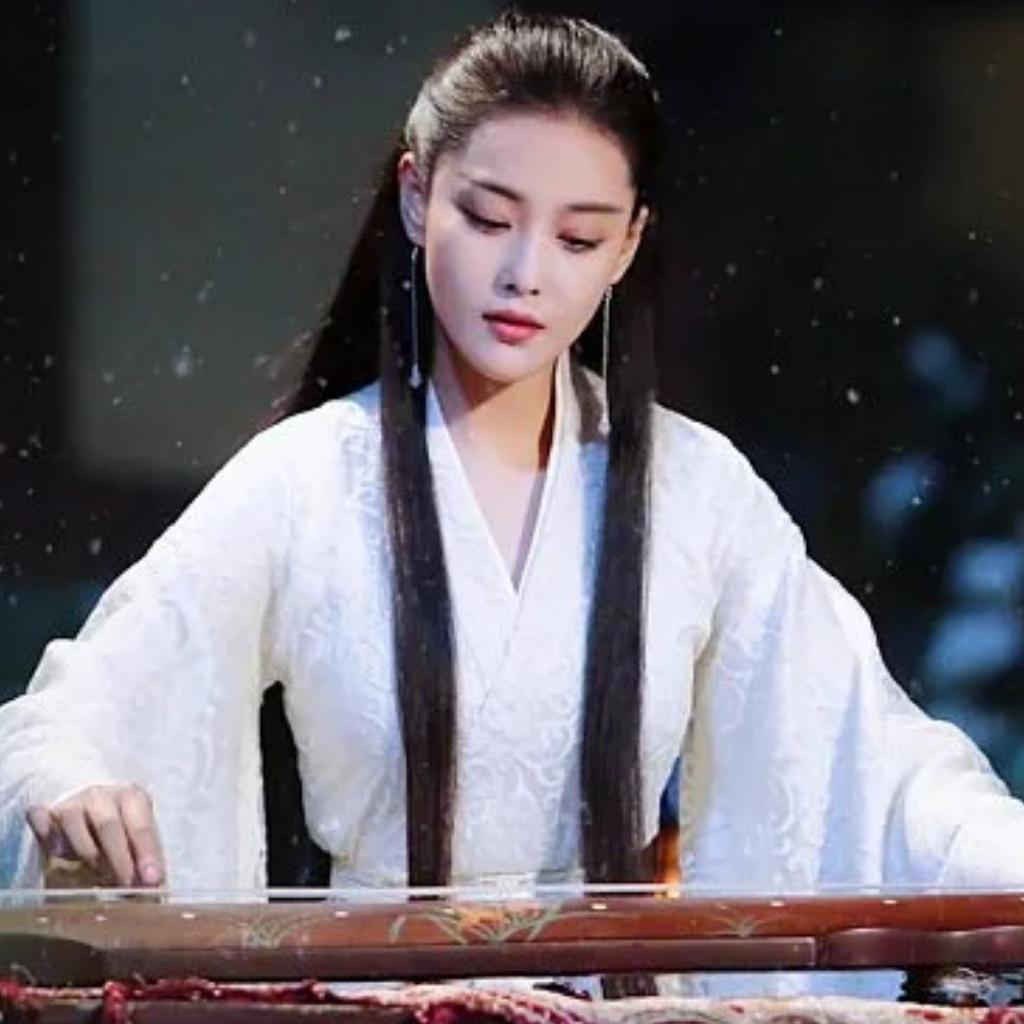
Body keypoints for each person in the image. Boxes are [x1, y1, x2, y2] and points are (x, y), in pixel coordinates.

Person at [2, 10, 1023, 910]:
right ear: (416, 197)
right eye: (488, 219)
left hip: (611, 998)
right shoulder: (307, 480)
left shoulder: (697, 492)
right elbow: (92, 701)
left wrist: (993, 849)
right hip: (366, 992)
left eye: (578, 240)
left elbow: (866, 756)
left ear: (628, 245)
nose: (525, 274)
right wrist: (68, 777)